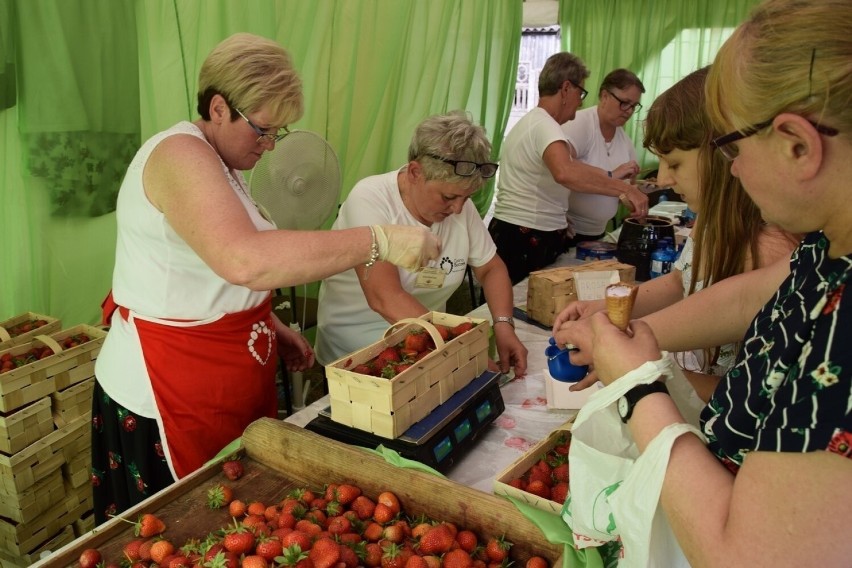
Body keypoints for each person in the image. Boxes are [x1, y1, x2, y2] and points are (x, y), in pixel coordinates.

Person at [92, 33, 440, 523]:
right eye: (263, 130)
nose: (271, 145)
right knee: (184, 528)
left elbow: (205, 270)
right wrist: (378, 240)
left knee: (236, 517)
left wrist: (269, 327)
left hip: (225, 370)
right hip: (163, 388)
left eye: (280, 133)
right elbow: (243, 259)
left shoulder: (223, 162)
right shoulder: (179, 155)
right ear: (218, 108)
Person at [554, 0, 852, 564]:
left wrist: (641, 386)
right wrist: (627, 331)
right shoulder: (827, 245)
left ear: (797, 145)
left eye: (734, 150)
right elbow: (750, 294)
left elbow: (743, 554)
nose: (733, 170)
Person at [552, 66, 799, 403]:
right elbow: (680, 282)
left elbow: (748, 399)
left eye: (675, 163)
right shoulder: (710, 226)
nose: (664, 179)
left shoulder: (771, 251)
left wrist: (635, 363)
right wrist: (610, 312)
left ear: (723, 157)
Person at [315, 111, 527, 377]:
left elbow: (491, 269)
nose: (459, 208)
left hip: (430, 345)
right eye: (448, 196)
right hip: (361, 352)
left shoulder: (460, 205)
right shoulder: (369, 200)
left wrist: (504, 325)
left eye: (467, 197)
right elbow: (385, 297)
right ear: (415, 172)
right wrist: (460, 352)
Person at [489, 52, 649, 285]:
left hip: (523, 232)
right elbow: (566, 172)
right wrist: (623, 189)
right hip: (524, 235)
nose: (582, 101)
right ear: (565, 89)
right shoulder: (546, 126)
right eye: (580, 93)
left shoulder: (536, 122)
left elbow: (573, 168)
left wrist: (560, 213)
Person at [563, 68, 645, 247]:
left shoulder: (624, 140)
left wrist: (634, 203)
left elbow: (625, 190)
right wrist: (611, 174)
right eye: (624, 103)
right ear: (604, 95)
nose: (629, 111)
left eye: (634, 106)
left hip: (597, 233)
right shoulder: (581, 124)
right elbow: (559, 168)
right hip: (566, 233)